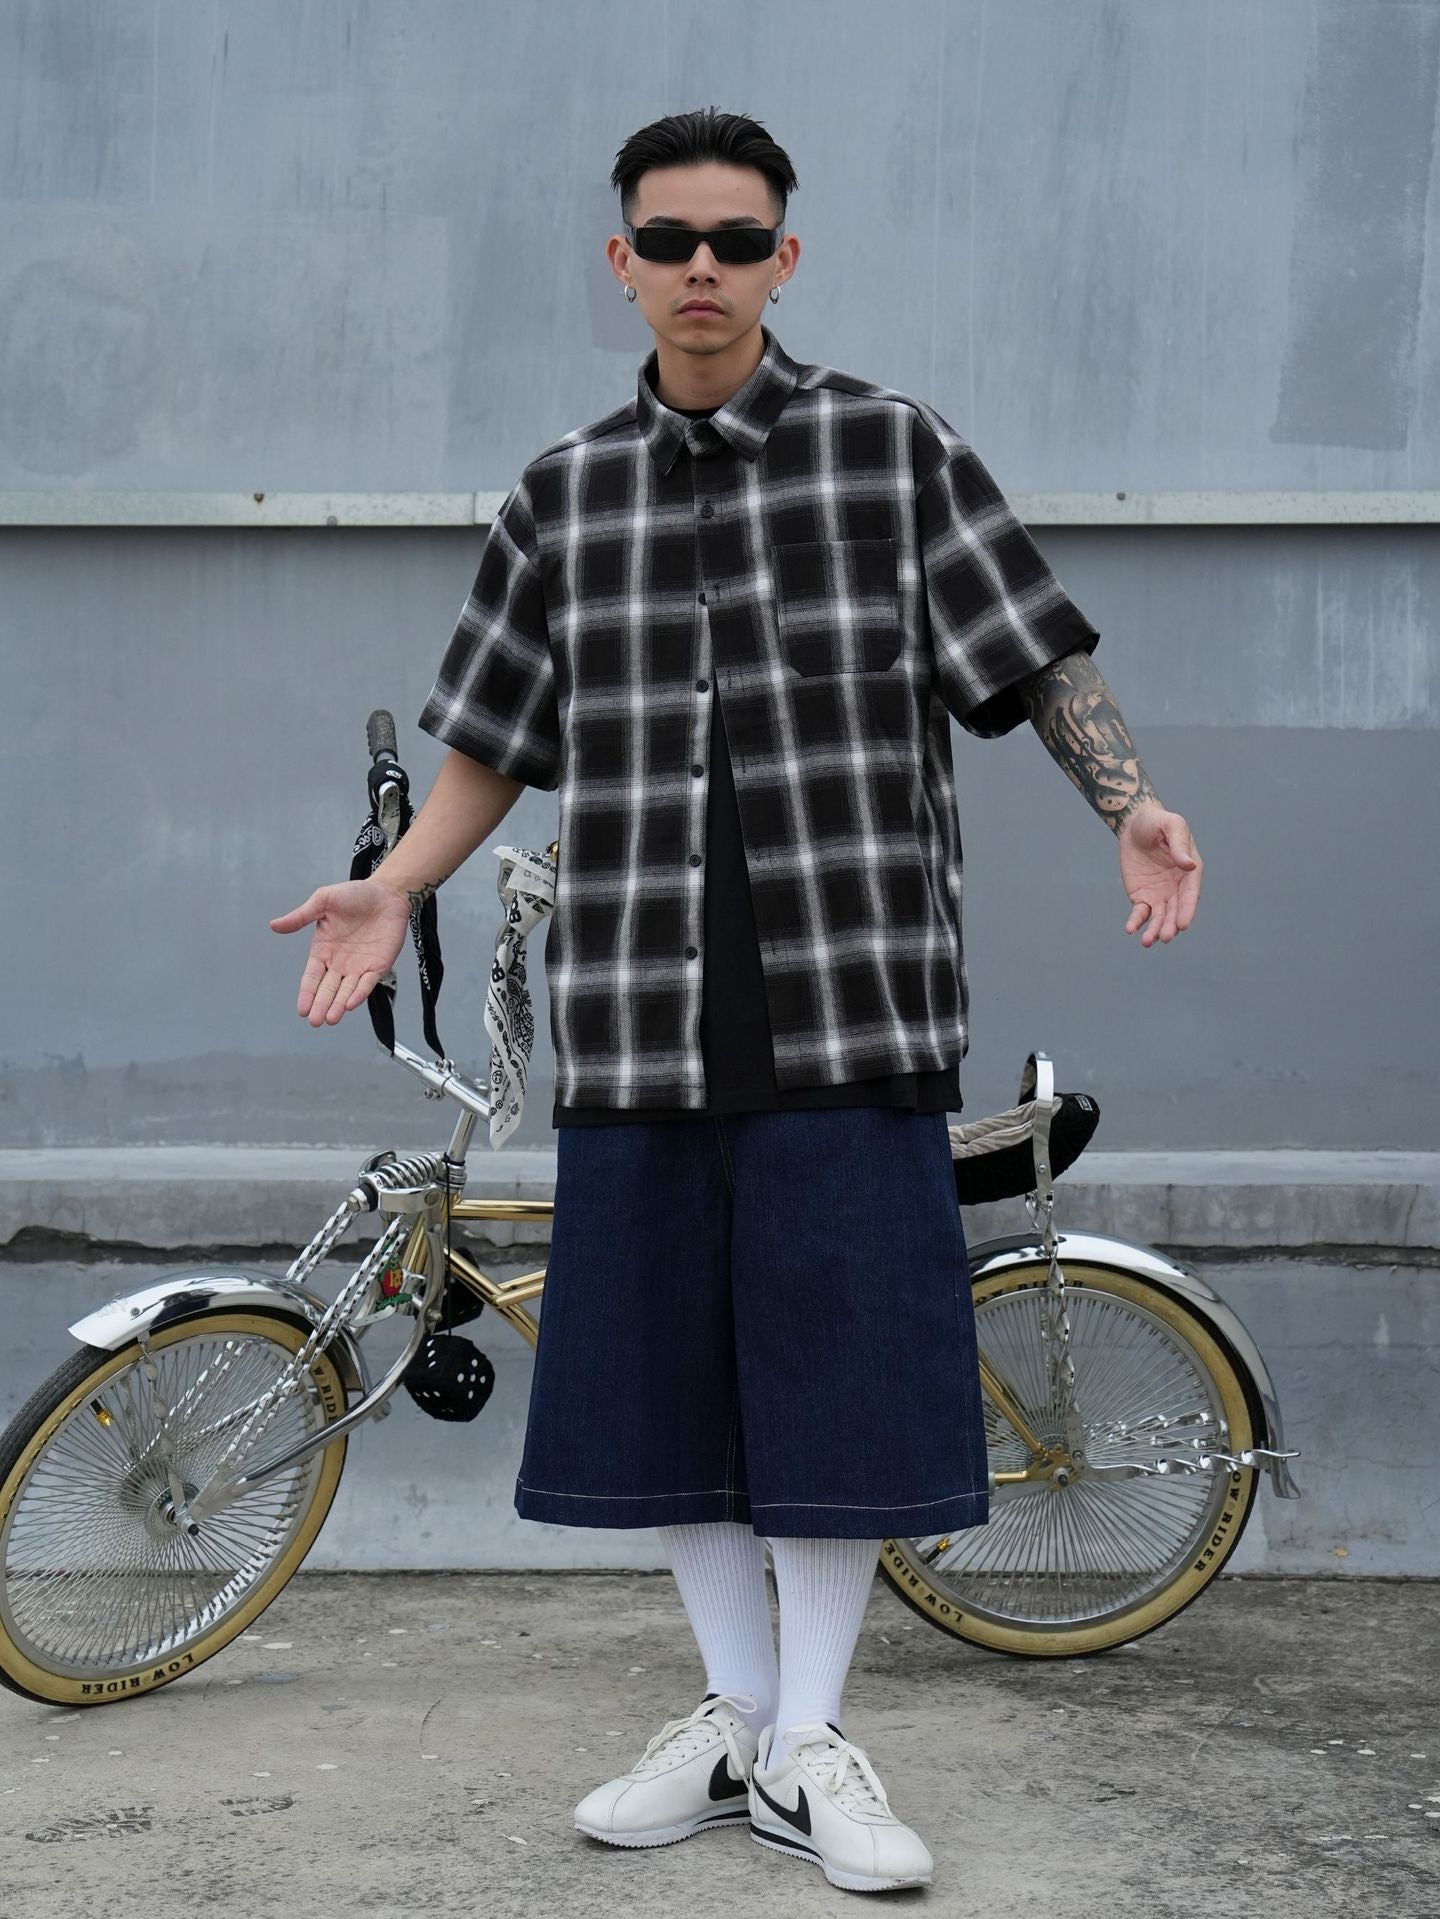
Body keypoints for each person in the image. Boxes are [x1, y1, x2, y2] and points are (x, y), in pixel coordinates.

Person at [272, 107, 1202, 1897]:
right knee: (661, 1373)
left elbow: (1035, 653)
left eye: (739, 239)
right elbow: (493, 738)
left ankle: (808, 1743)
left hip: (851, 994)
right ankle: (738, 1716)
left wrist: (1130, 800)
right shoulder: (562, 496)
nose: (705, 268)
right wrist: (398, 885)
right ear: (622, 261)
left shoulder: (890, 451)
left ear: (787, 258)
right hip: (641, 1001)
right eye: (672, 239)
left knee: (840, 1372)